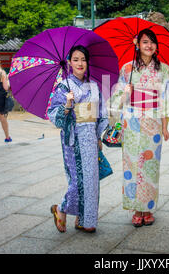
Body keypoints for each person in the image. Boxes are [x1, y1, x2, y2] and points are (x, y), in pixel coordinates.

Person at [110, 29, 169, 227]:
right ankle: (136, 209)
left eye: (152, 42)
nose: (149, 46)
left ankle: (147, 208)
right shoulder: (126, 69)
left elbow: (168, 98)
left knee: (149, 165)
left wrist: (165, 127)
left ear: (156, 46)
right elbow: (116, 100)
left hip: (154, 120)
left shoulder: (163, 69)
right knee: (131, 164)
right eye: (145, 42)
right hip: (131, 121)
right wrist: (125, 93)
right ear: (137, 44)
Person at [47, 45, 108, 233]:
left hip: (91, 136)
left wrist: (99, 136)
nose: (80, 63)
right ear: (69, 62)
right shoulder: (64, 86)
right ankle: (61, 209)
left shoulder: (94, 86)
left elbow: (101, 113)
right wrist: (66, 105)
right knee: (77, 180)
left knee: (91, 180)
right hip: (73, 139)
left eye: (83, 59)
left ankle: (86, 220)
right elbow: (53, 115)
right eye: (75, 59)